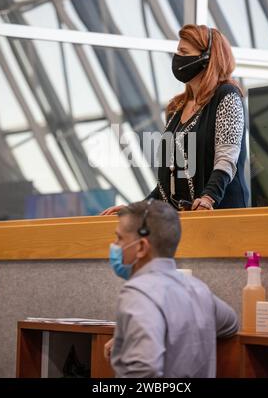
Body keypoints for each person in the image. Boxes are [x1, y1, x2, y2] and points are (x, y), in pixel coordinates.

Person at [101, 24, 249, 215]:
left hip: (221, 216)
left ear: (206, 58)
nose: (177, 57)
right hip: (183, 219)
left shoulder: (227, 95)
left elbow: (227, 158)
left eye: (183, 51)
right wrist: (137, 209)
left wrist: (208, 198)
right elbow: (169, 183)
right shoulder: (176, 108)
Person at [106, 199, 239, 378]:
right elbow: (231, 324)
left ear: (141, 247)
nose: (115, 245)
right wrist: (137, 336)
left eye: (120, 238)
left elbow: (144, 370)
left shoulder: (138, 293)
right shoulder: (198, 290)